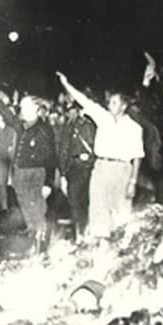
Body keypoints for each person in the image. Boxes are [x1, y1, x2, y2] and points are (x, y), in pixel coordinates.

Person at [57, 72, 145, 239]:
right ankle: (99, 246)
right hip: (101, 168)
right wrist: (66, 84)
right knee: (98, 208)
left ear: (123, 106)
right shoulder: (102, 117)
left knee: (121, 212)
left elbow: (137, 156)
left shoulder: (134, 128)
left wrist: (133, 181)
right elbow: (84, 100)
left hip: (122, 170)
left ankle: (120, 247)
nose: (109, 105)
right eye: (110, 102)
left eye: (114, 102)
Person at [0, 77, 57, 253]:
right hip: (19, 173)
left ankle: (42, 248)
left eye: (26, 106)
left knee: (37, 210)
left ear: (37, 109)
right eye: (21, 107)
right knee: (26, 210)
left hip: (36, 174)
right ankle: (34, 242)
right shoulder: (20, 125)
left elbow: (51, 158)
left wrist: (48, 183)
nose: (22, 110)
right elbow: (3, 109)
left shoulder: (44, 129)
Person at [59, 102, 96, 239]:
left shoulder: (89, 126)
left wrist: (90, 158)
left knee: (86, 200)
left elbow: (96, 147)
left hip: (87, 167)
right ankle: (78, 233)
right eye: (70, 112)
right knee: (74, 201)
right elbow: (62, 151)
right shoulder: (67, 128)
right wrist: (63, 174)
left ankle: (86, 231)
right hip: (73, 168)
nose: (72, 114)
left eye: (74, 111)